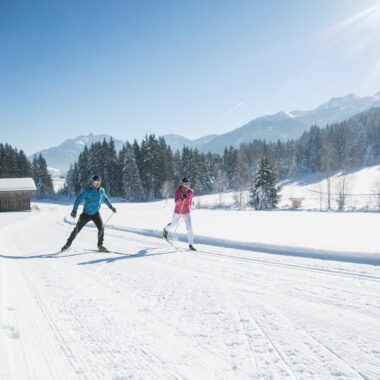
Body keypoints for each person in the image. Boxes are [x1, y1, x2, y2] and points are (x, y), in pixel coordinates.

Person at [61, 175, 116, 252]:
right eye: (95, 182)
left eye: (98, 182)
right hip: (86, 214)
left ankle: (100, 245)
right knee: (77, 230)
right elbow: (78, 200)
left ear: (100, 182)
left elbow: (105, 199)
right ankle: (67, 244)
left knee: (101, 228)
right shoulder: (88, 191)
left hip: (96, 214)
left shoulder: (102, 191)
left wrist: (111, 207)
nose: (97, 184)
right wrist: (74, 211)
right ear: (92, 183)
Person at [163, 177, 196, 251]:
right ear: (182, 184)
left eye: (188, 184)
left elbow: (190, 200)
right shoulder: (179, 191)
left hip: (186, 212)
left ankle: (191, 244)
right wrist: (181, 198)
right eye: (186, 184)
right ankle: (165, 230)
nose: (187, 185)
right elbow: (176, 202)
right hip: (178, 211)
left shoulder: (191, 192)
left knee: (190, 228)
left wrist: (190, 207)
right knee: (173, 224)